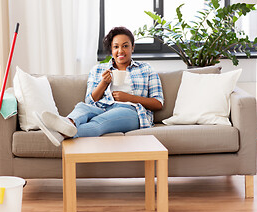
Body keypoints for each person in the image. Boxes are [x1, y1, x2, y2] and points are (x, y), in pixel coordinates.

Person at [33, 26, 164, 146]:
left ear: (132, 47)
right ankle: (68, 123)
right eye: (116, 47)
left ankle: (58, 133)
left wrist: (128, 98)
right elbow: (90, 101)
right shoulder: (99, 70)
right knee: (82, 107)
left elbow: (158, 103)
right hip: (103, 107)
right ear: (111, 49)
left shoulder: (146, 69)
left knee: (99, 122)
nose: (120, 51)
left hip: (131, 112)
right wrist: (104, 83)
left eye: (125, 46)